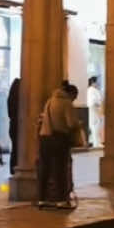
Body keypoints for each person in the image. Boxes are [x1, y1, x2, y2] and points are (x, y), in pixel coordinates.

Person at [37, 80, 80, 208]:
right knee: (60, 170)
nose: (74, 100)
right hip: (59, 139)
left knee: (45, 169)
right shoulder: (66, 103)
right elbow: (71, 123)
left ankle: (42, 199)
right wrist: (78, 124)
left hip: (45, 138)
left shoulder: (50, 101)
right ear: (71, 94)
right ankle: (61, 200)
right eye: (75, 97)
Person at [86, 75, 104, 150]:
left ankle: (97, 142)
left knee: (97, 125)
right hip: (94, 109)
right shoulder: (91, 90)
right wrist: (98, 109)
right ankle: (96, 143)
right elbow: (93, 102)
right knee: (95, 125)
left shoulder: (93, 90)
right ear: (93, 82)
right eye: (97, 82)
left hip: (96, 109)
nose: (98, 83)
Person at [7, 76, 21, 165]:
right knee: (18, 148)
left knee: (15, 147)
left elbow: (10, 113)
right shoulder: (21, 99)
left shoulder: (10, 99)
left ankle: (13, 167)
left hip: (13, 124)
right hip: (18, 124)